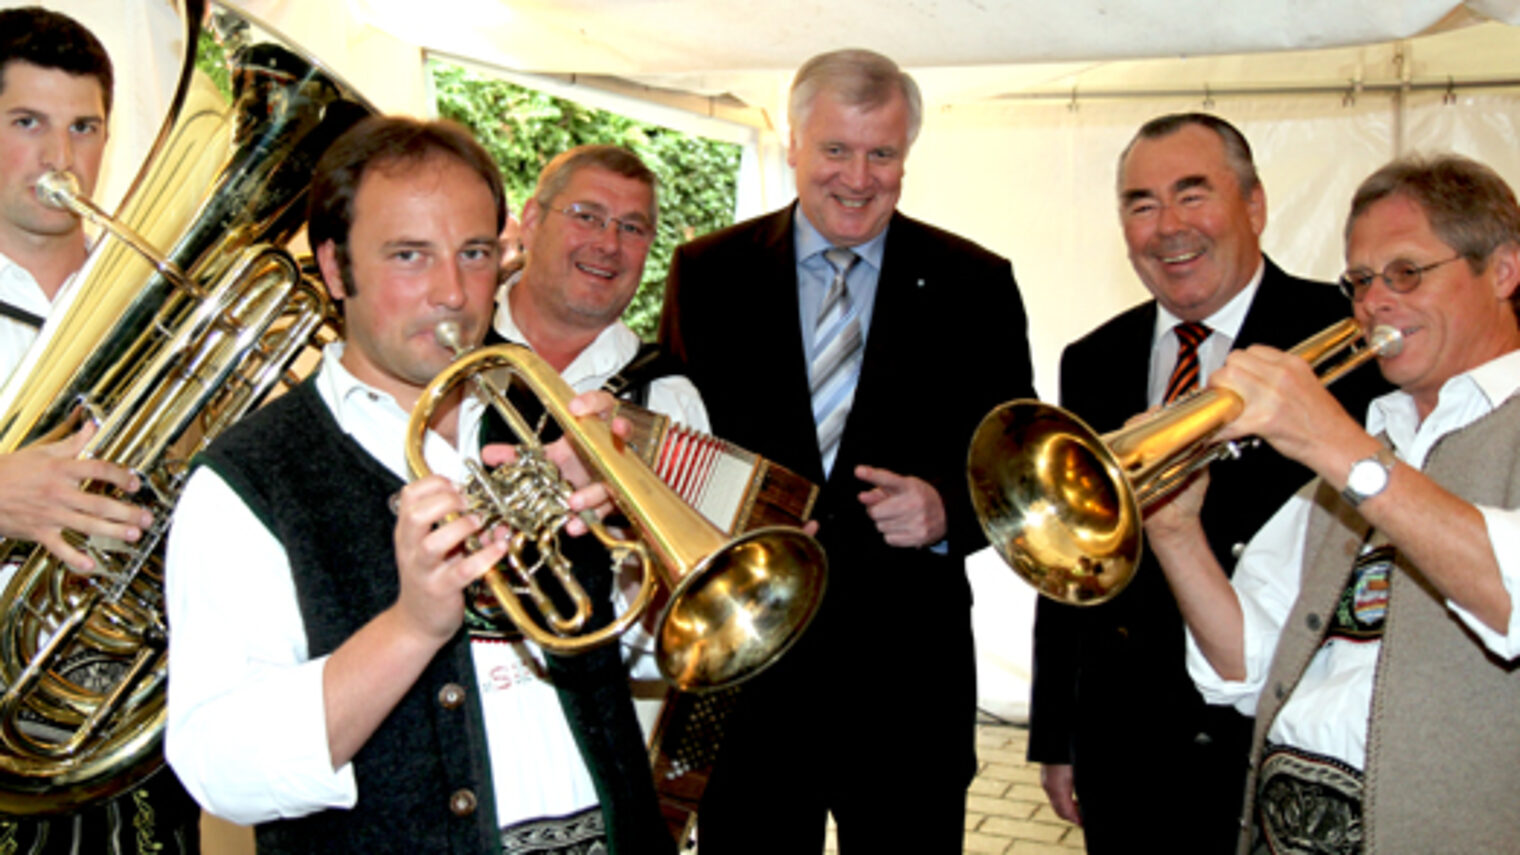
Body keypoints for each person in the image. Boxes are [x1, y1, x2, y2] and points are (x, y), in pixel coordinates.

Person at [164, 116, 674, 854]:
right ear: (335, 269)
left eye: (473, 254)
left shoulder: (551, 423)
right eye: (410, 255)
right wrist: (410, 627)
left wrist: (629, 534)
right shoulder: (247, 481)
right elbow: (221, 767)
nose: (452, 293)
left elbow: (651, 654)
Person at [659, 47, 1035, 853]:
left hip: (908, 687)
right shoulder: (707, 274)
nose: (858, 178)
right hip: (751, 679)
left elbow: (1015, 465)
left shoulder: (976, 283)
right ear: (791, 143)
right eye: (835, 150)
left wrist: (946, 510)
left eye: (883, 154)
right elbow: (674, 448)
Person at [1026, 113, 1389, 852]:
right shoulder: (1093, 356)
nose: (1167, 227)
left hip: (1274, 732)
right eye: (1141, 203)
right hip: (1126, 743)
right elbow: (1063, 558)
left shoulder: (1346, 331)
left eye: (1193, 195)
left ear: (1254, 204)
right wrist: (1056, 732)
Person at [1146, 152, 1520, 853]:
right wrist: (1175, 534)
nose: (1374, 302)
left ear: (1502, 270)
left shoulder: (1354, 453)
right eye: (1360, 280)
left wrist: (1333, 443)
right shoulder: (1375, 440)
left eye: (1407, 273)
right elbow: (1251, 667)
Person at [0, 8, 200, 852]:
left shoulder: (153, 304)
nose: (60, 157)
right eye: (26, 124)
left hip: (128, 731)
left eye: (84, 127)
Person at [498, 144, 706, 430]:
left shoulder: (669, 404)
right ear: (533, 222)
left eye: (632, 228)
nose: (609, 244)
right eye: (587, 217)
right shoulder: (446, 343)